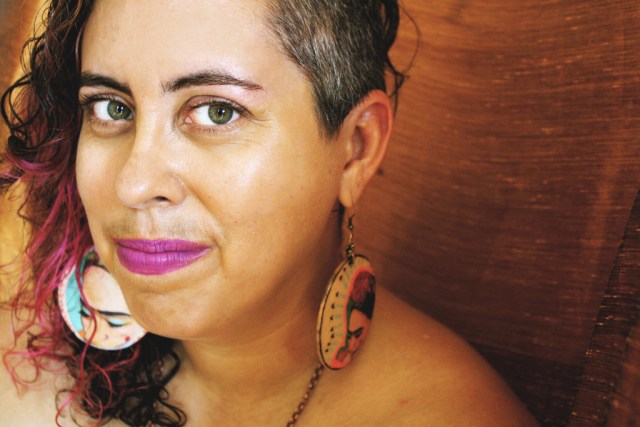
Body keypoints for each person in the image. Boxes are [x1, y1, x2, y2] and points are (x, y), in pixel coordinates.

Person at [0, 0, 538, 425]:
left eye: (217, 111)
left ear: (355, 149)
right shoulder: (25, 357)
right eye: (111, 108)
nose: (134, 183)